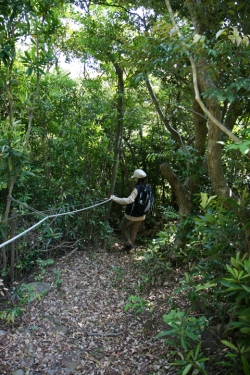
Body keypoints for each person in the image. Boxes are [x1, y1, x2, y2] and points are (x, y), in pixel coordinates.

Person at [110, 169, 149, 253]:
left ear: (138, 178)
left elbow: (129, 200)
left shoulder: (137, 189)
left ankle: (129, 245)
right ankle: (130, 249)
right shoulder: (148, 187)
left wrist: (114, 198)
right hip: (142, 215)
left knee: (123, 226)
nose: (134, 179)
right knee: (133, 231)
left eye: (135, 178)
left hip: (132, 215)